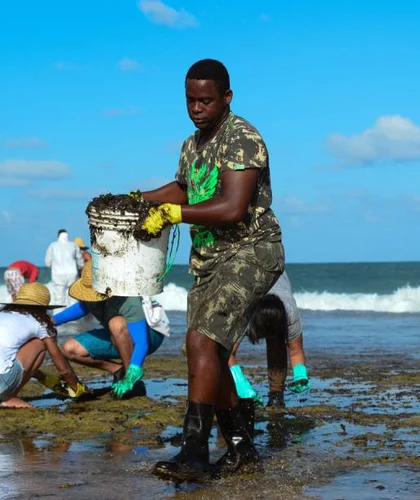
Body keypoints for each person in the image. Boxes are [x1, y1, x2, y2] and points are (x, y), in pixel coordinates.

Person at [135, 59, 285, 481]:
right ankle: (240, 448)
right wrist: (138, 198)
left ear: (226, 98)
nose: (196, 108)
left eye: (205, 100)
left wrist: (172, 213)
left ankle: (195, 452)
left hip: (251, 251)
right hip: (209, 261)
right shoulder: (192, 144)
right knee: (208, 351)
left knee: (201, 342)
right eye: (190, 100)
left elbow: (233, 207)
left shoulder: (243, 138)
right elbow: (183, 187)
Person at [0, 282, 90, 410]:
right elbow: (63, 369)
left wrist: (43, 377)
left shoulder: (1, 315)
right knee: (41, 343)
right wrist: (76, 388)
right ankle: (10, 398)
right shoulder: (39, 324)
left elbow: (11, 359)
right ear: (43, 307)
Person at [53, 261, 168, 398]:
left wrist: (133, 373)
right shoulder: (91, 297)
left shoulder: (128, 299)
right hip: (119, 336)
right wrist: (52, 321)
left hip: (150, 336)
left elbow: (142, 342)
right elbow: (81, 309)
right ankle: (117, 370)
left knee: (116, 323)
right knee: (69, 349)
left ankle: (131, 379)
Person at [229, 271, 310, 409]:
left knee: (277, 343)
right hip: (244, 279)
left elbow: (295, 350)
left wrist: (300, 374)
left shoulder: (289, 312)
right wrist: (240, 382)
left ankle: (276, 395)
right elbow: (227, 353)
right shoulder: (243, 312)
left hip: (277, 280)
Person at [44, 229, 84, 306]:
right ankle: (73, 317)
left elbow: (47, 263)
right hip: (72, 274)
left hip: (58, 274)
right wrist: (79, 267)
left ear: (58, 236)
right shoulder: (73, 245)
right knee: (73, 298)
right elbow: (80, 262)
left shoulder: (53, 245)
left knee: (59, 299)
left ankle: (59, 316)